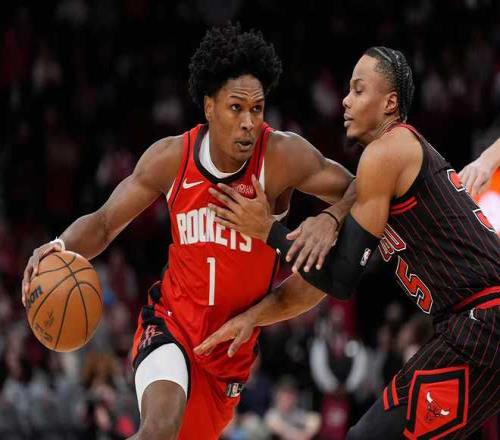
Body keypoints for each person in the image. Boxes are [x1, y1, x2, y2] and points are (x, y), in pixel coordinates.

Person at [21, 24, 356, 440]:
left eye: (257, 109)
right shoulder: (171, 158)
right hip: (170, 324)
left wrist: (331, 218)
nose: (249, 122)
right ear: (209, 106)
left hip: (228, 356)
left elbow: (361, 189)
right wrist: (58, 245)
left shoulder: (282, 156)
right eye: (236, 108)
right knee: (159, 429)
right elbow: (105, 223)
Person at [195, 46, 500, 439]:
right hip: (471, 325)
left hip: (482, 319)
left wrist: (266, 230)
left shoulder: (387, 152)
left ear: (390, 103)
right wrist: (254, 315)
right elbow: (323, 279)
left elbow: (341, 279)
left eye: (358, 90)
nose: (345, 100)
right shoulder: (387, 168)